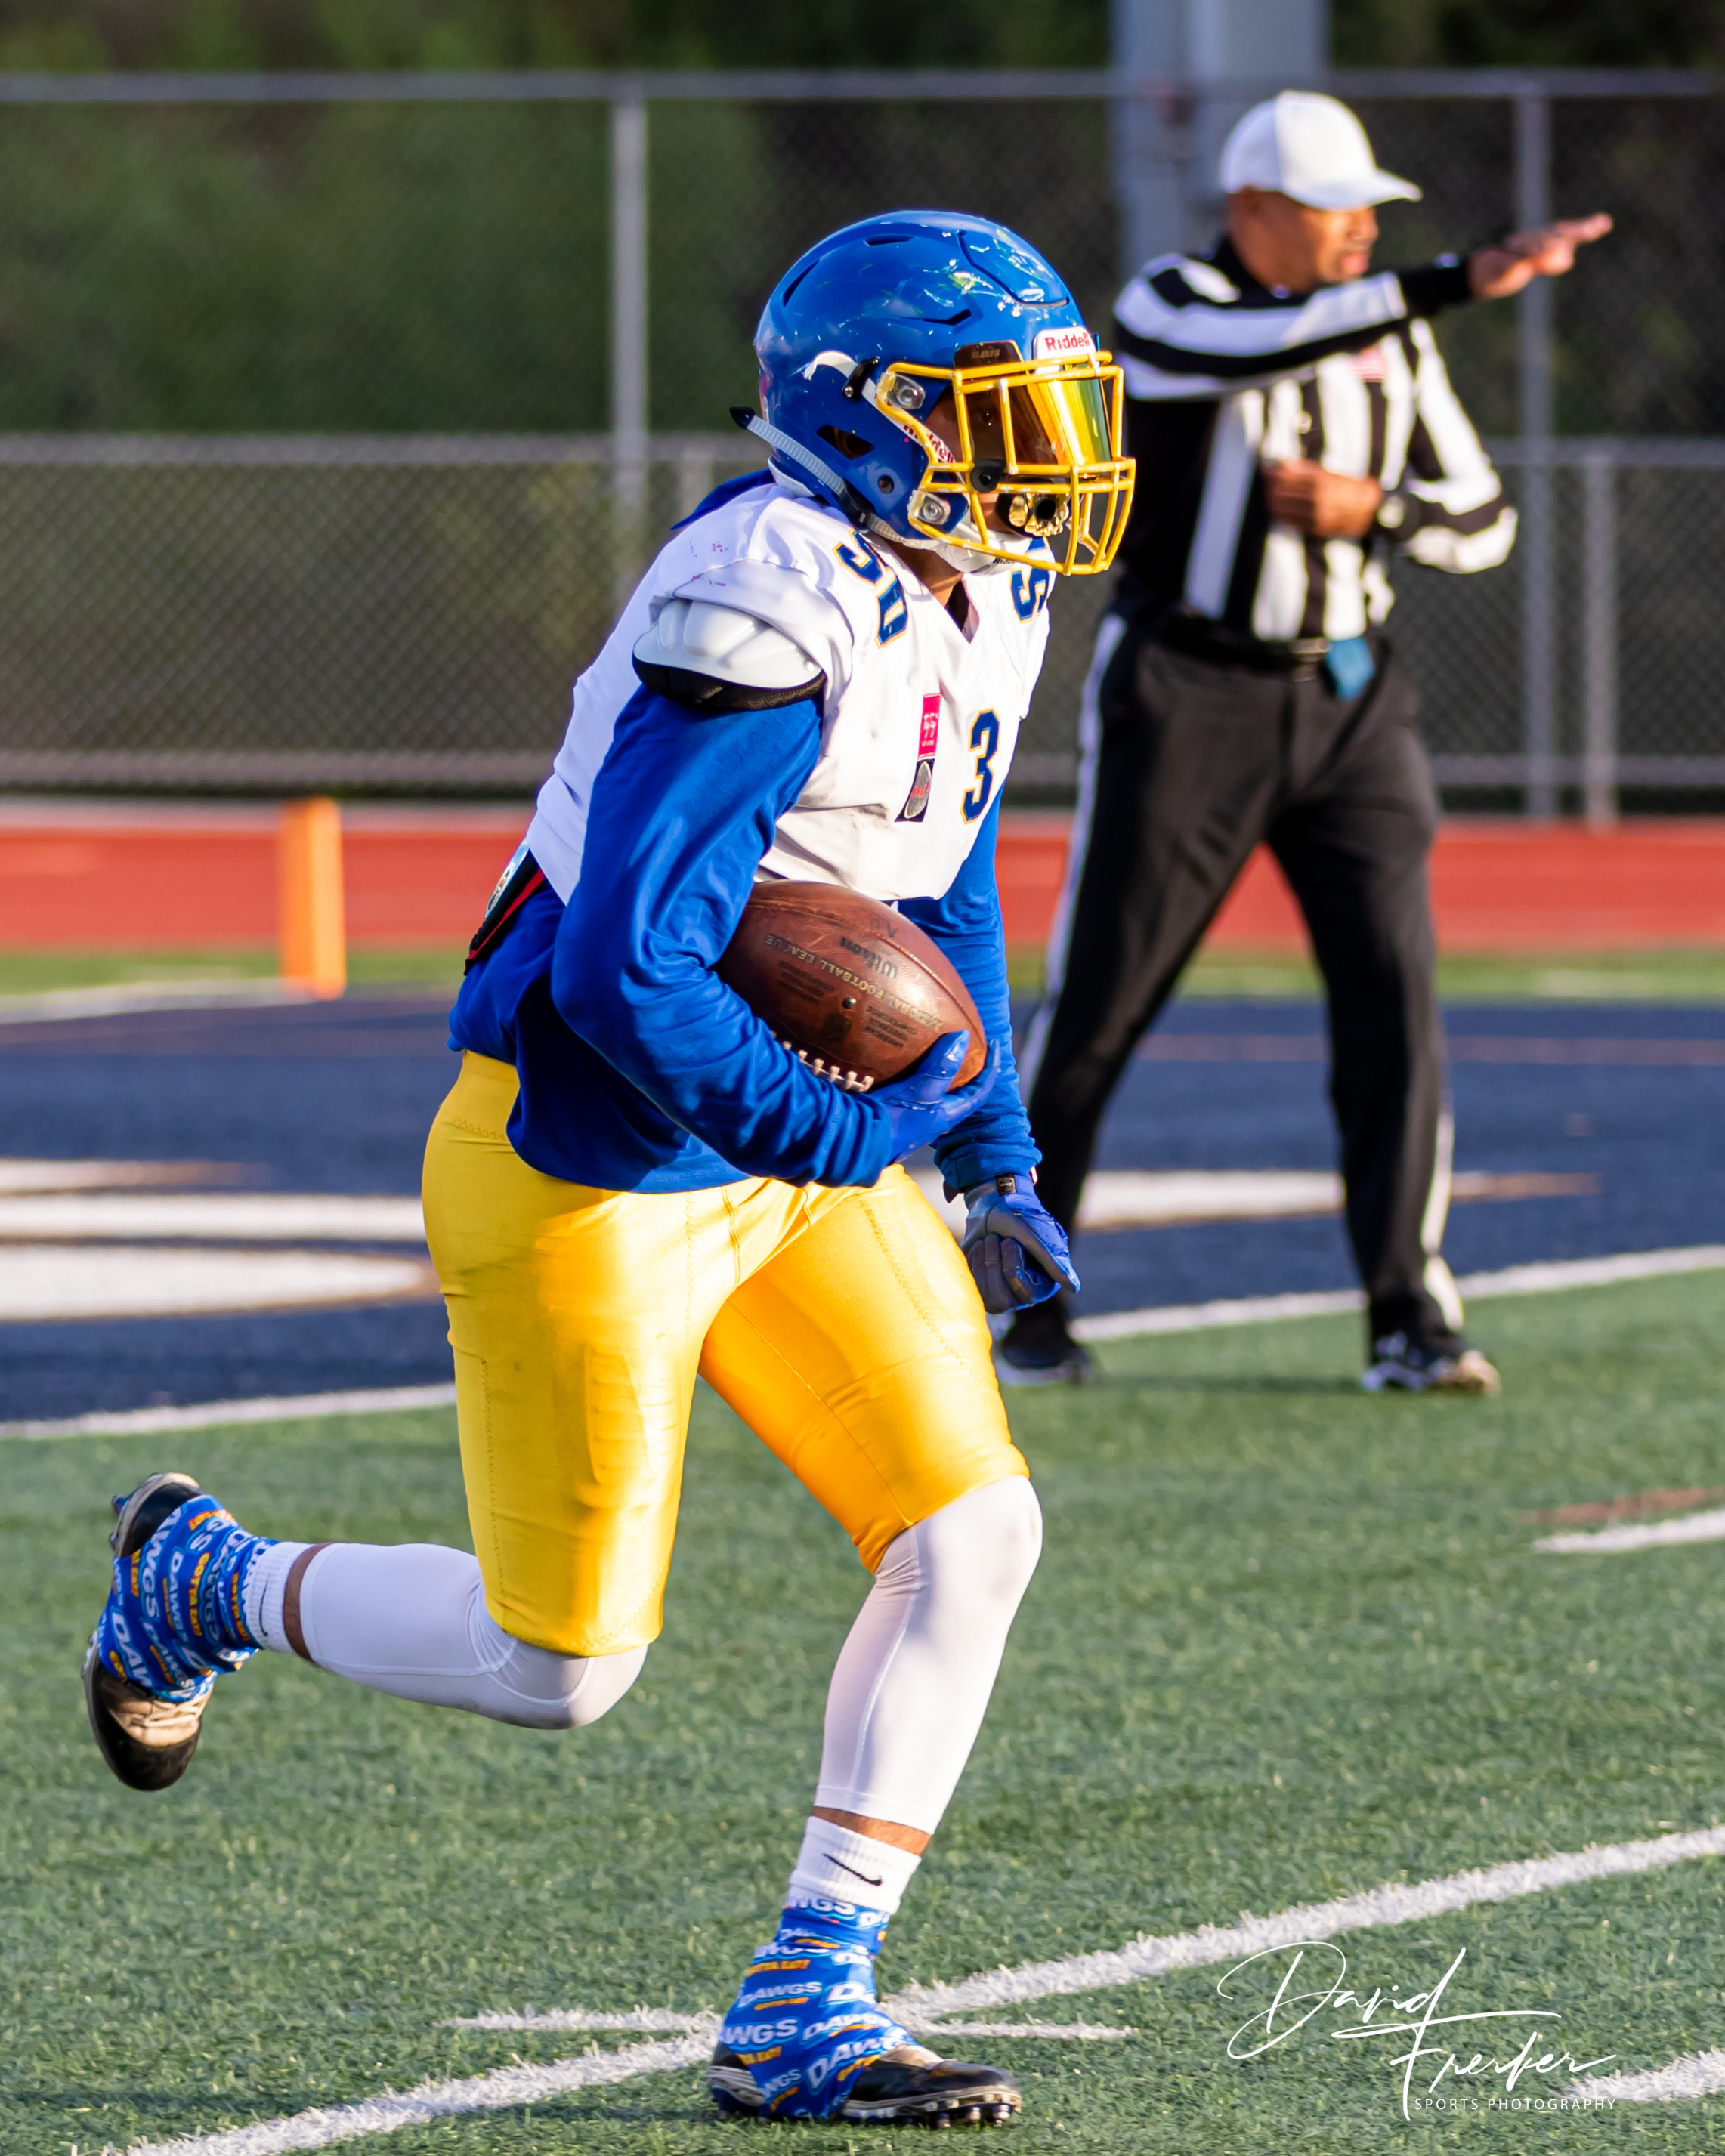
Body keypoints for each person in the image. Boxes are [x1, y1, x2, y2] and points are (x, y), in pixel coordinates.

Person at [80, 212, 1131, 2130]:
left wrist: (986, 1146)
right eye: (995, 410)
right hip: (594, 1156)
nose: (1043, 452)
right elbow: (623, 966)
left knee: (973, 1531)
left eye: (1049, 406)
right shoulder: (764, 599)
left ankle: (810, 1990)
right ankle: (203, 1577)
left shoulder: (974, 579)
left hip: (774, 1134)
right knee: (555, 1667)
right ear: (865, 417)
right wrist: (849, 1134)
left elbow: (941, 863)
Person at [1000, 91, 1611, 1393]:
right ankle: (1018, 1301)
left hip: (1351, 701)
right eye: (1334, 208)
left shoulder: (1390, 332)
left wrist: (1371, 508)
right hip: (1190, 690)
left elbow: (1482, 516)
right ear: (1253, 208)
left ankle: (1411, 1317)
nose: (1359, 230)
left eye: (1370, 212)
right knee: (1101, 1000)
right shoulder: (1173, 304)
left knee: (1395, 996)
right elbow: (1245, 349)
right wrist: (1455, 278)